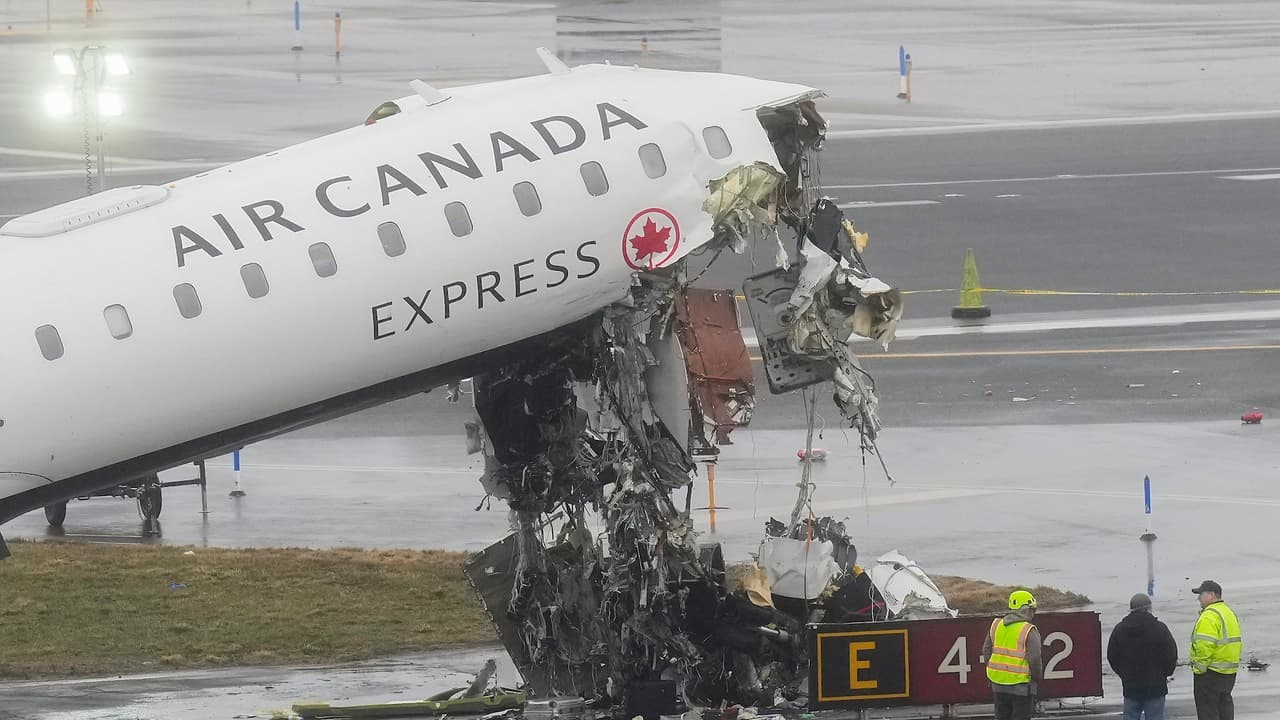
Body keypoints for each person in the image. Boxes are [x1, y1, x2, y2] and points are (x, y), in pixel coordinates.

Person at [1107, 593, 1178, 719]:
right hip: (1156, 686)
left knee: (1130, 716)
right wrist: (1165, 674)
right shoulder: (1160, 628)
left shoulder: (1120, 629)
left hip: (1131, 687)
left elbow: (1112, 656)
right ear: (1148, 608)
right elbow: (1171, 655)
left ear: (1131, 609)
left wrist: (1124, 674)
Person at [982, 589, 1044, 720]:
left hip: (997, 685)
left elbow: (986, 651)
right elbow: (1035, 659)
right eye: (1032, 609)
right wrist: (1037, 679)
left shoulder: (996, 625)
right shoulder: (1028, 630)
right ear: (1024, 609)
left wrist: (994, 671)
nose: (1034, 613)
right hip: (1021, 686)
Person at [1189, 580, 1241, 720]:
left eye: (1201, 594)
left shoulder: (1209, 615)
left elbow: (1205, 646)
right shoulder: (1228, 613)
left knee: (1208, 713)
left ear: (1211, 595)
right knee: (1225, 711)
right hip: (1228, 673)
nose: (1198, 598)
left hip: (1210, 674)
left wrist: (1199, 670)